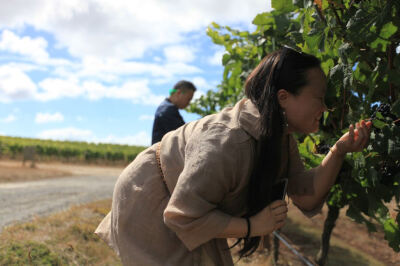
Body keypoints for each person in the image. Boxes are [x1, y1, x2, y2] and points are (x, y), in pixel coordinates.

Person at [95, 47, 371, 266]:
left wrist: (339, 150)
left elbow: (306, 193)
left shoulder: (278, 137)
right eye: (319, 98)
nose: (325, 108)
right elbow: (182, 217)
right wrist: (252, 226)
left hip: (189, 205)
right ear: (284, 97)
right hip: (152, 199)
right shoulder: (228, 141)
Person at [151, 80, 196, 144]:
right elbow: (183, 136)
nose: (188, 103)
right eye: (188, 99)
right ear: (178, 93)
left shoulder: (165, 107)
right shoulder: (168, 110)